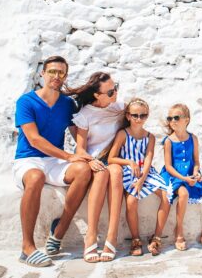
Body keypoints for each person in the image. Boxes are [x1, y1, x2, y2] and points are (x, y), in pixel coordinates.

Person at [13, 56, 92, 268]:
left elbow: (77, 134)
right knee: (36, 177)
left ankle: (59, 231)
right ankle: (27, 248)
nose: (57, 76)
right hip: (28, 159)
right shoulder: (26, 101)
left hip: (54, 161)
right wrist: (68, 156)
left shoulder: (67, 104)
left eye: (61, 73)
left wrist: (87, 155)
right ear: (43, 74)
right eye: (52, 72)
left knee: (83, 171)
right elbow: (34, 139)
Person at [67, 72, 125, 263]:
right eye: (110, 92)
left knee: (115, 172)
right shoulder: (86, 114)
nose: (115, 93)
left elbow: (138, 117)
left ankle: (112, 236)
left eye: (115, 87)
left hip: (114, 159)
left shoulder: (119, 108)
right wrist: (90, 160)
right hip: (95, 160)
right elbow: (81, 148)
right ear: (96, 95)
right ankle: (90, 235)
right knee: (101, 174)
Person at [108, 98, 170, 256]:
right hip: (129, 172)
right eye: (135, 115)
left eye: (143, 115)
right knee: (131, 200)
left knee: (166, 195)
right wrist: (129, 162)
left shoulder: (150, 137)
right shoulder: (123, 134)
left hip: (146, 172)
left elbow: (148, 158)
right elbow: (111, 158)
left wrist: (142, 180)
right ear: (128, 116)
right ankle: (135, 239)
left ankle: (156, 237)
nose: (139, 119)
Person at [160, 103, 202, 250]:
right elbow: (168, 166)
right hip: (174, 176)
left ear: (186, 120)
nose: (172, 121)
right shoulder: (168, 141)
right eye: (170, 118)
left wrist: (196, 173)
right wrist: (184, 179)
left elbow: (196, 161)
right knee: (183, 194)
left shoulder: (193, 138)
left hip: (191, 174)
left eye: (176, 117)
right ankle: (179, 232)